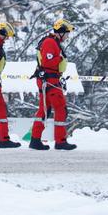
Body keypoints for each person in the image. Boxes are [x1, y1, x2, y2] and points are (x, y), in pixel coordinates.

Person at [30, 19, 76, 151]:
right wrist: (60, 59)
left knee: (45, 110)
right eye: (67, 33)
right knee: (60, 109)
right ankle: (60, 141)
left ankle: (35, 140)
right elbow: (49, 61)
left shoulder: (53, 42)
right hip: (50, 80)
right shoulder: (50, 42)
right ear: (61, 32)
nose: (68, 36)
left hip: (50, 80)